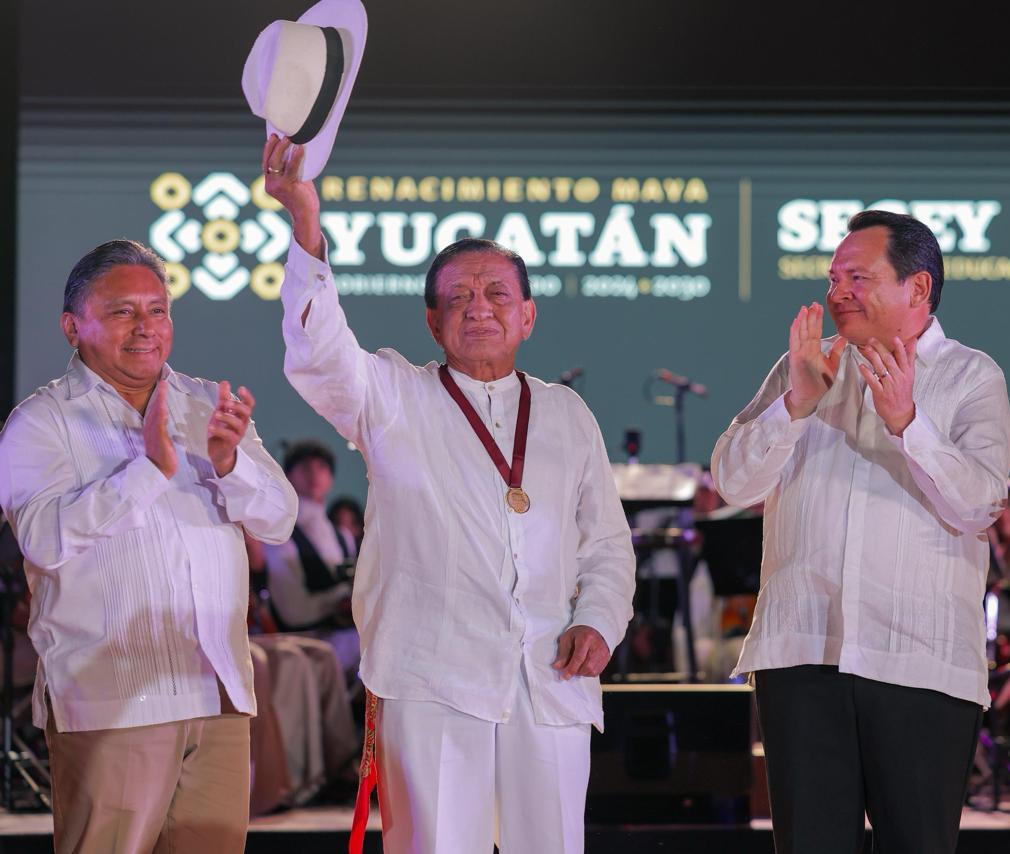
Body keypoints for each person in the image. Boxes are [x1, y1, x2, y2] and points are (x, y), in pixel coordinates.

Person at [263, 135, 636, 854]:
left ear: (528, 316)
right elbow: (319, 354)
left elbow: (607, 543)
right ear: (432, 323)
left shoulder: (565, 413)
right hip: (431, 676)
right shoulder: (393, 395)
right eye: (458, 298)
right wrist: (306, 227)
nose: (479, 309)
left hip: (551, 673)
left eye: (497, 294)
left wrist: (599, 621)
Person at [712, 209, 1010, 853]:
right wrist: (796, 404)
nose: (838, 292)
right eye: (833, 278)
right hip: (803, 650)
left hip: (919, 658)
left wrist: (908, 422)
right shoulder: (805, 367)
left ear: (918, 287)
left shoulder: (971, 376)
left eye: (858, 277)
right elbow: (734, 482)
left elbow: (981, 503)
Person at [0, 239, 298, 852]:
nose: (146, 327)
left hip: (215, 690)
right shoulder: (40, 421)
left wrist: (230, 463)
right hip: (112, 698)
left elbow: (279, 520)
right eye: (122, 311)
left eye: (157, 310)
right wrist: (149, 471)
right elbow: (42, 540)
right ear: (72, 327)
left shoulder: (205, 404)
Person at [263, 438, 360, 674]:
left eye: (322, 467)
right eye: (305, 467)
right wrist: (340, 600)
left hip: (344, 638)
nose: (314, 474)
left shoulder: (343, 536)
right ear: (288, 475)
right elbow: (293, 612)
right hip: (304, 646)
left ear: (331, 479)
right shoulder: (279, 533)